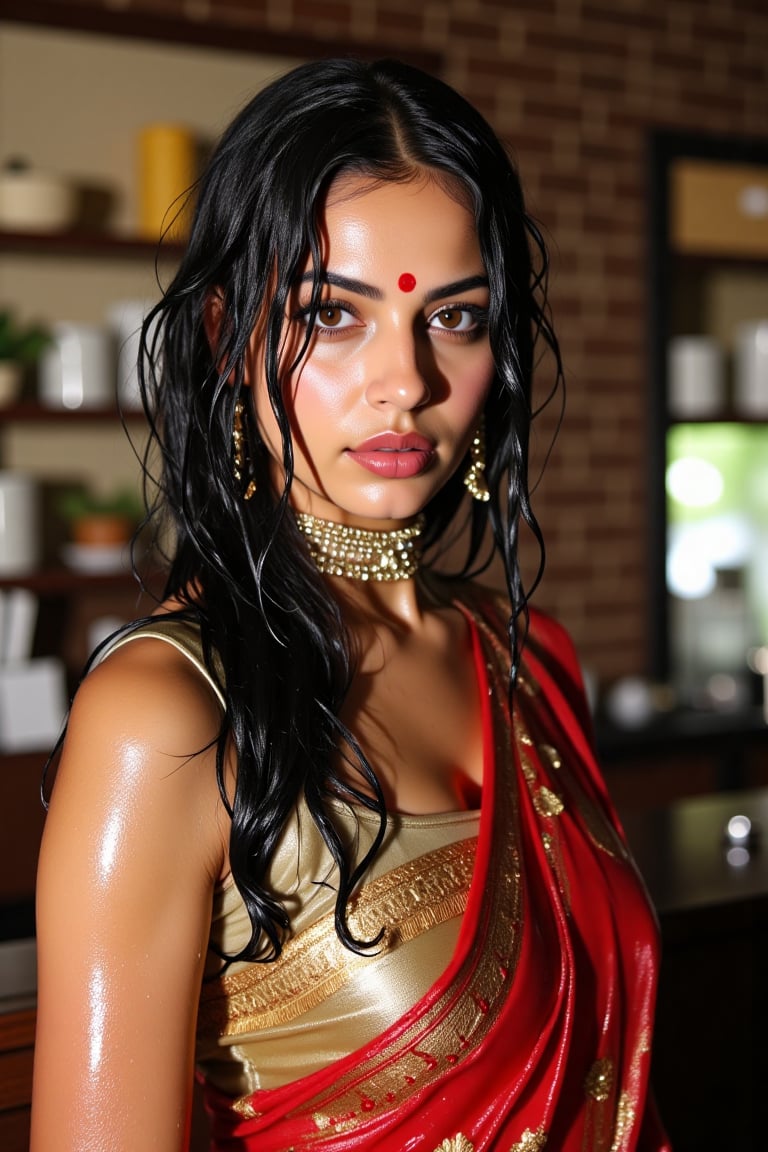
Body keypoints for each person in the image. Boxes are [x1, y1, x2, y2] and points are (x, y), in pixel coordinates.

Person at [30, 58, 670, 1152]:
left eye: (456, 319)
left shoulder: (531, 660)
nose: (406, 381)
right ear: (230, 337)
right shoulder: (165, 715)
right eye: (333, 315)